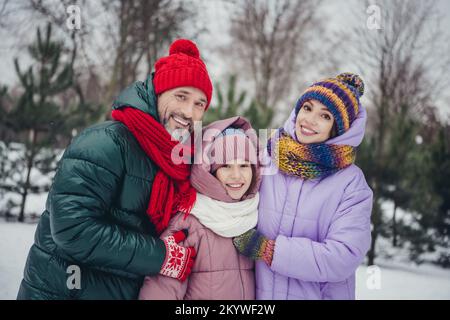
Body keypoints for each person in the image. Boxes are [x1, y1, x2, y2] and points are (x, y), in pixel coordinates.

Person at [17, 39, 212, 299]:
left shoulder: (178, 160)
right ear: (157, 92)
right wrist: (161, 257)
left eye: (199, 103)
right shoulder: (105, 143)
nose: (189, 112)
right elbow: (72, 229)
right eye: (181, 96)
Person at [233, 73, 373, 300]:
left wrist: (269, 250)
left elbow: (343, 256)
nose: (309, 120)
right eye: (307, 108)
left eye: (325, 116)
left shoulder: (351, 184)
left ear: (338, 128)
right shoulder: (266, 159)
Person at [139, 116, 261, 300]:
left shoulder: (254, 216)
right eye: (226, 166)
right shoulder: (189, 224)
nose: (237, 175)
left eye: (244, 165)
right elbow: (161, 289)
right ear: (210, 172)